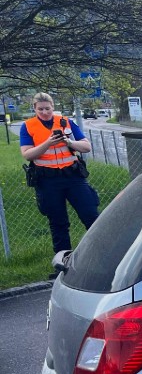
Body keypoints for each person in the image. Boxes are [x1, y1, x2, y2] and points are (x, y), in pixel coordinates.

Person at [19, 92, 100, 263]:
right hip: (47, 180)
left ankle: (101, 254)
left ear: (53, 107)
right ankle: (63, 262)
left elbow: (86, 146)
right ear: (34, 109)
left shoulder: (66, 122)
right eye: (40, 109)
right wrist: (48, 143)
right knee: (58, 223)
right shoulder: (28, 126)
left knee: (91, 215)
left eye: (47, 108)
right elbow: (27, 154)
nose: (44, 112)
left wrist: (69, 142)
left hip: (73, 176)